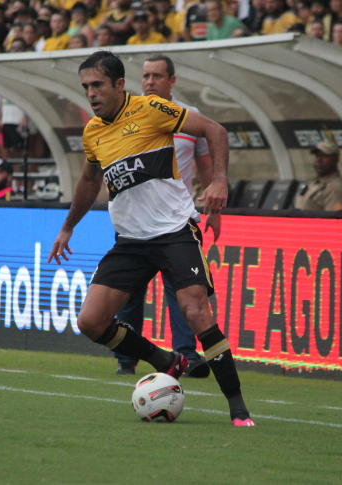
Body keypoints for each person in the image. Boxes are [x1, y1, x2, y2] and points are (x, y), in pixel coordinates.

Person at [47, 51, 255, 427]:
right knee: (90, 322)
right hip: (130, 241)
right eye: (85, 87)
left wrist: (219, 181)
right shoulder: (93, 132)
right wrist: (67, 227)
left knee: (196, 311)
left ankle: (238, 409)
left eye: (97, 85)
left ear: (119, 85)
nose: (90, 94)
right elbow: (90, 181)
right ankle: (164, 361)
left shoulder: (152, 108)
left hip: (174, 231)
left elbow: (215, 130)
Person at [114, 54, 219, 378]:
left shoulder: (191, 117)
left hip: (175, 220)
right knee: (130, 291)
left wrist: (213, 206)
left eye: (157, 76)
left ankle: (187, 355)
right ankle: (127, 357)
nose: (149, 82)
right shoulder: (126, 116)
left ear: (171, 81)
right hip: (136, 218)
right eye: (145, 76)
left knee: (184, 291)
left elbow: (204, 164)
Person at [294, 140, 342, 211]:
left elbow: (333, 219)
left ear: (336, 159)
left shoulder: (335, 188)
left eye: (325, 156)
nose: (319, 160)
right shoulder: (315, 183)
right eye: (317, 156)